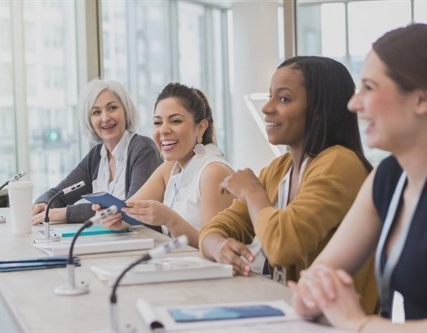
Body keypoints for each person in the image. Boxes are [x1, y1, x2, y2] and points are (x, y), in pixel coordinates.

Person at [289, 24, 427, 332]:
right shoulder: (388, 177)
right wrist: (313, 294)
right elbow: (318, 278)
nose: (353, 104)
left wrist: (357, 323)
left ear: (422, 99)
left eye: (369, 88)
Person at [199, 56, 378, 314]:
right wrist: (219, 247)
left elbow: (284, 246)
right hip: (291, 313)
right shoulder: (280, 167)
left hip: (335, 323)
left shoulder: (340, 163)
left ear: (319, 109)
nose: (267, 108)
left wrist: (252, 192)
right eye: (270, 96)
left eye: (283, 99)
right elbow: (216, 227)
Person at [97, 82, 235, 248]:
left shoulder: (214, 172)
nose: (163, 130)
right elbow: (129, 210)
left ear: (200, 128)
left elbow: (216, 247)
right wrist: (114, 217)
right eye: (157, 122)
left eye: (175, 121)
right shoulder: (170, 167)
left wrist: (170, 220)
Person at [31, 79, 162, 224]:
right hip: (108, 241)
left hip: (145, 242)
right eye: (96, 112)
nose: (105, 118)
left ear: (125, 111)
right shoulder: (97, 156)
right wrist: (43, 204)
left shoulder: (143, 149)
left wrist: (66, 213)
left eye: (112, 108)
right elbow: (59, 195)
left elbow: (130, 210)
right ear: (89, 121)